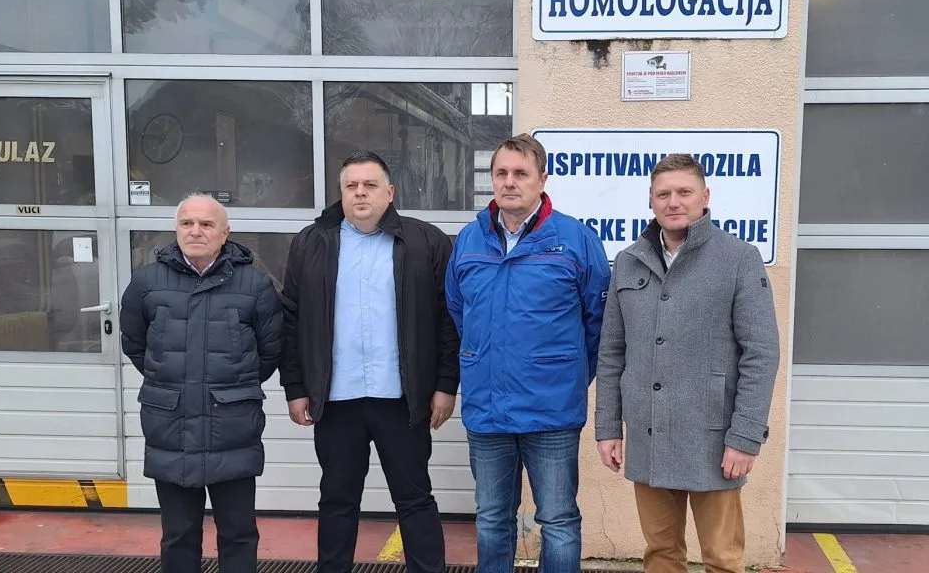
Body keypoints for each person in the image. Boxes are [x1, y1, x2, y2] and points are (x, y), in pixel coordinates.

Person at [594, 153, 780, 573]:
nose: (673, 202)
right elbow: (611, 352)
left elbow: (761, 352)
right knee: (660, 554)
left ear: (705, 196)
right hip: (649, 435)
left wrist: (745, 437)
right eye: (663, 194)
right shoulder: (629, 260)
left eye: (684, 192)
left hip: (714, 440)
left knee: (722, 558)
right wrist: (608, 428)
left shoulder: (738, 258)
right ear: (651, 200)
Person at [278, 150, 460, 573]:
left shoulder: (426, 241)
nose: (360, 192)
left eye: (370, 185)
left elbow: (448, 318)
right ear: (341, 192)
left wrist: (445, 384)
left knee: (414, 499)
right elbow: (291, 319)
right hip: (336, 400)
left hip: (403, 400)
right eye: (351, 185)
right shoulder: (311, 243)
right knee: (337, 502)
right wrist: (296, 387)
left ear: (390, 192)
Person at [445, 133, 611, 573]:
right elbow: (459, 311)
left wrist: (566, 374)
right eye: (501, 173)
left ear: (542, 179)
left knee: (558, 520)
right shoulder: (470, 240)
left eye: (521, 173)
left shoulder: (575, 239)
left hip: (551, 411)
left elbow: (598, 322)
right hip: (488, 409)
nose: (509, 182)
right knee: (491, 520)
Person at [120, 193, 283, 573]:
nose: (196, 231)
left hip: (232, 428)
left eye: (206, 224)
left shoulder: (255, 285)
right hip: (170, 427)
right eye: (187, 223)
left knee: (239, 533)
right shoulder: (146, 283)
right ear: (176, 229)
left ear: (225, 233)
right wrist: (173, 383)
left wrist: (230, 389)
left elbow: (270, 352)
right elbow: (136, 345)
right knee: (178, 534)